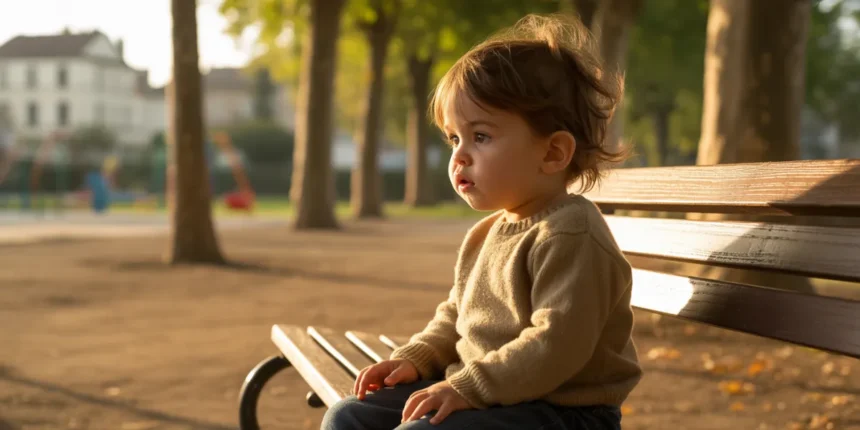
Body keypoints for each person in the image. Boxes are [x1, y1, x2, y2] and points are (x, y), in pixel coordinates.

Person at [323, 13, 641, 430]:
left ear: (552, 153)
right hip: (493, 394)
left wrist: (467, 388)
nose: (460, 155)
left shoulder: (571, 233)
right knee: (349, 416)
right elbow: (456, 316)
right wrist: (415, 358)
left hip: (564, 410)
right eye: (455, 138)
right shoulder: (488, 232)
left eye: (482, 137)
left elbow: (556, 345)